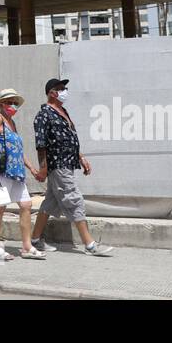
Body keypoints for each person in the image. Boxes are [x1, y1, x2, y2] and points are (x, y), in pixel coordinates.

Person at [30, 78, 114, 256]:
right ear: (51, 93)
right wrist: (43, 168)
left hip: (68, 162)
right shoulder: (43, 115)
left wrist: (81, 157)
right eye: (60, 88)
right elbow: (41, 145)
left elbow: (69, 139)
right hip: (58, 164)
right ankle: (90, 245)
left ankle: (35, 240)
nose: (64, 91)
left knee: (50, 203)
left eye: (65, 88)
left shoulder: (63, 111)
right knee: (74, 199)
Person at [0, 88, 47, 262]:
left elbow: (18, 151)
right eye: (9, 102)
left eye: (15, 103)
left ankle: (27, 247)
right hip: (1, 173)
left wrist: (31, 168)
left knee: (26, 205)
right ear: (2, 104)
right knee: (0, 207)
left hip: (16, 173)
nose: (13, 105)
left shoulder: (12, 123)